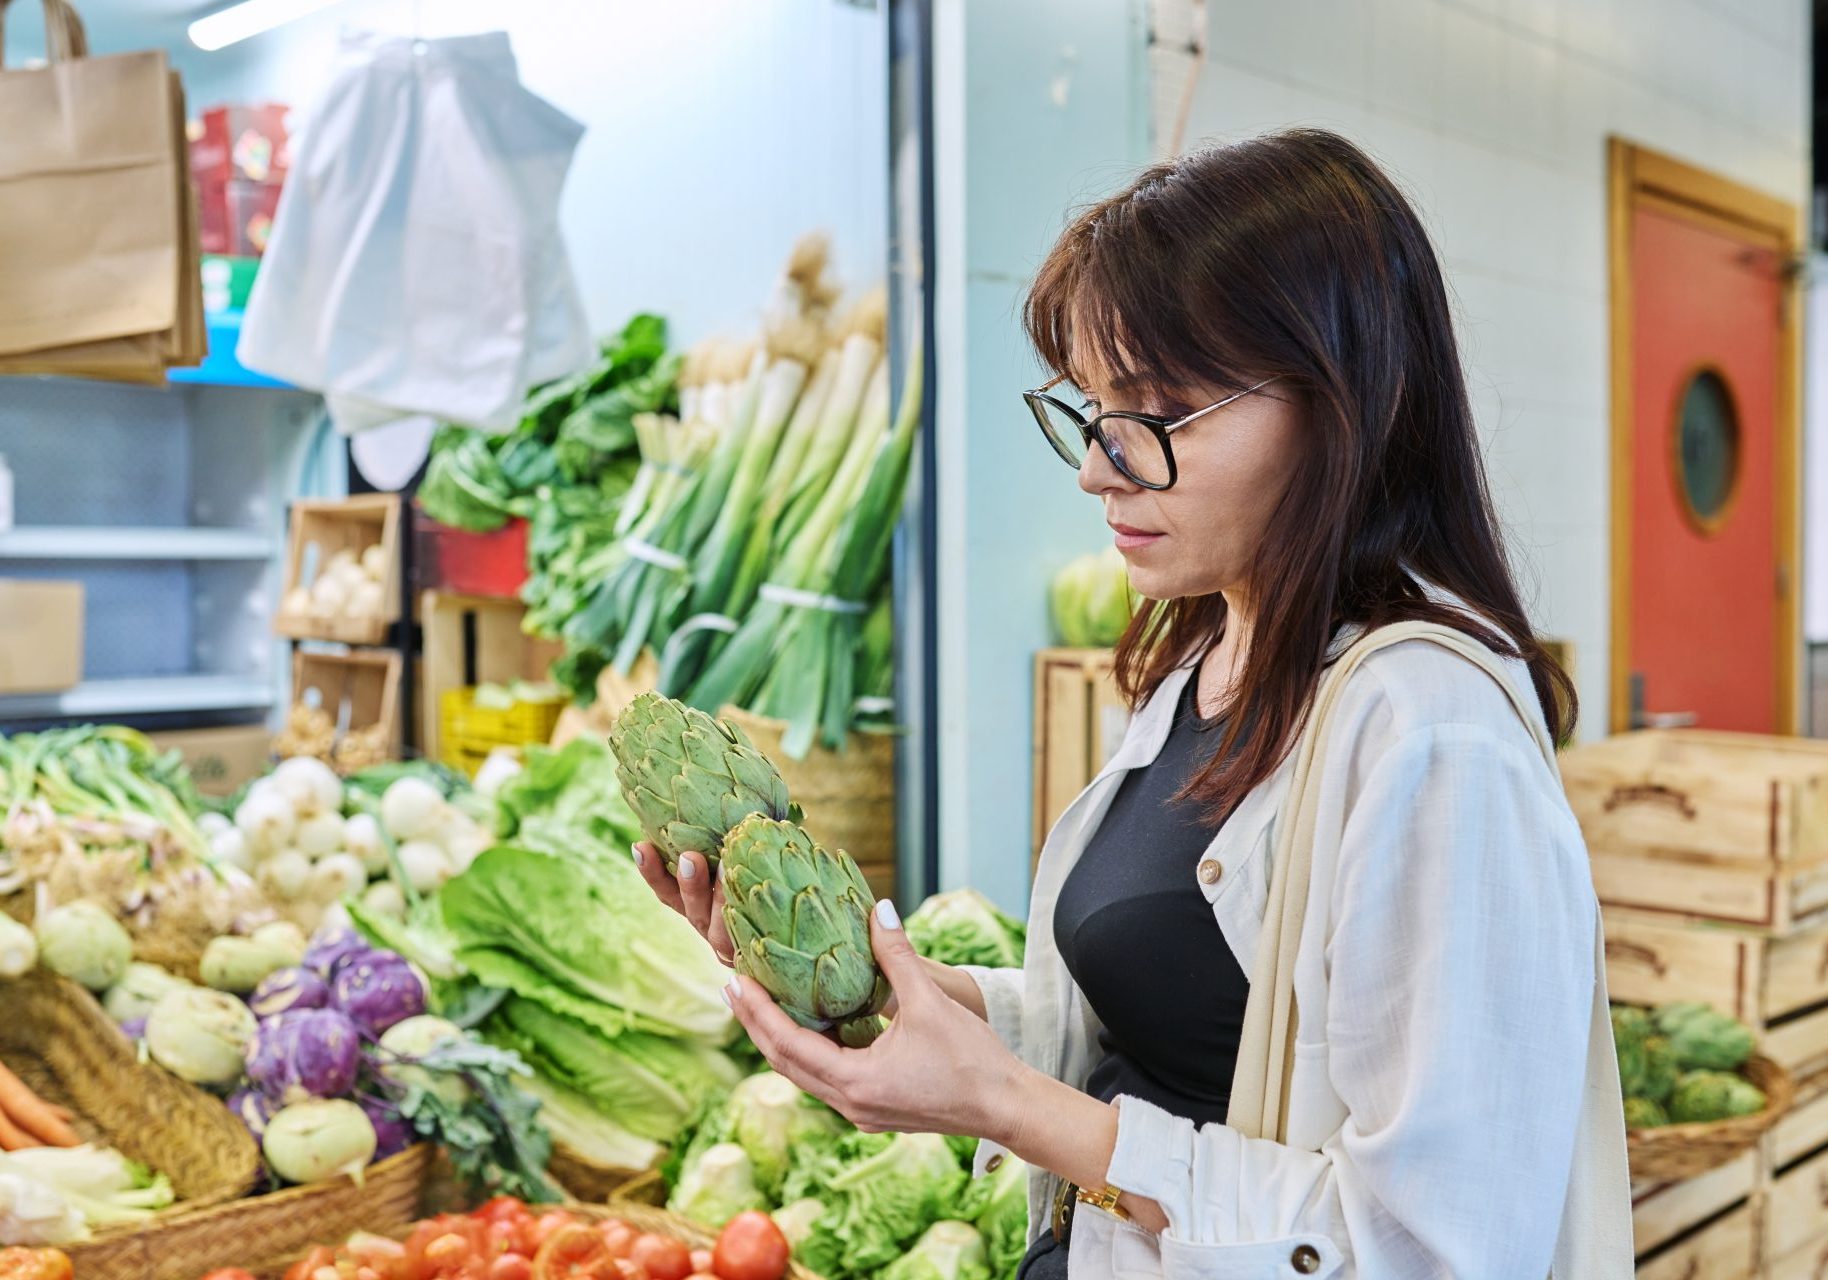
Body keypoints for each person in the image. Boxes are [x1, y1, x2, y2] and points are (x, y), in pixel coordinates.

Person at [635, 128, 1631, 1279]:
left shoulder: (1430, 732)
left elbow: (1429, 1246)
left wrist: (1006, 1103)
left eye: (1158, 411)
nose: (1097, 467)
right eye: (1094, 407)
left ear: (1342, 404)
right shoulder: (1204, 651)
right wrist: (878, 989)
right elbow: (1155, 1037)